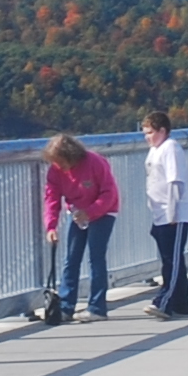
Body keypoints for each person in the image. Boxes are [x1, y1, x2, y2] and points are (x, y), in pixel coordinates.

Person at [39, 132, 120, 323]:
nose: (59, 166)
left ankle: (97, 307)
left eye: (61, 161)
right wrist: (51, 227)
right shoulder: (55, 171)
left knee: (96, 257)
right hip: (76, 212)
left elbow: (109, 193)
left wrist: (91, 212)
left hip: (103, 211)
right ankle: (66, 306)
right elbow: (52, 199)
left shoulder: (94, 162)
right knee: (71, 259)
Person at [139, 111, 188, 318]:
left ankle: (163, 301)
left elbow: (175, 182)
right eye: (145, 133)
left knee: (171, 260)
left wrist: (173, 212)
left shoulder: (170, 148)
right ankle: (182, 304)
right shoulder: (154, 150)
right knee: (171, 258)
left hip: (174, 213)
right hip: (159, 212)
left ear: (162, 130)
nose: (147, 137)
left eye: (151, 132)